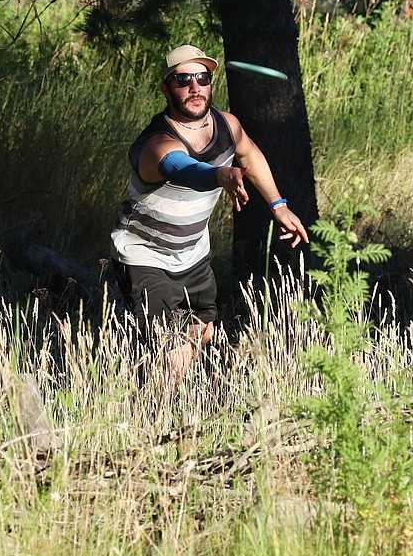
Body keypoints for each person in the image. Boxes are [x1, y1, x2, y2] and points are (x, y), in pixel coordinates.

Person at [111, 44, 310, 381]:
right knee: (175, 358)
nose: (195, 87)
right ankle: (159, 418)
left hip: (193, 254)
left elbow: (248, 153)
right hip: (145, 256)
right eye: (182, 79)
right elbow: (182, 167)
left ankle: (146, 385)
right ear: (165, 88)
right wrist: (218, 175)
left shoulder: (227, 125)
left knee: (201, 335)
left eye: (202, 78)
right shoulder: (157, 142)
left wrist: (278, 204)